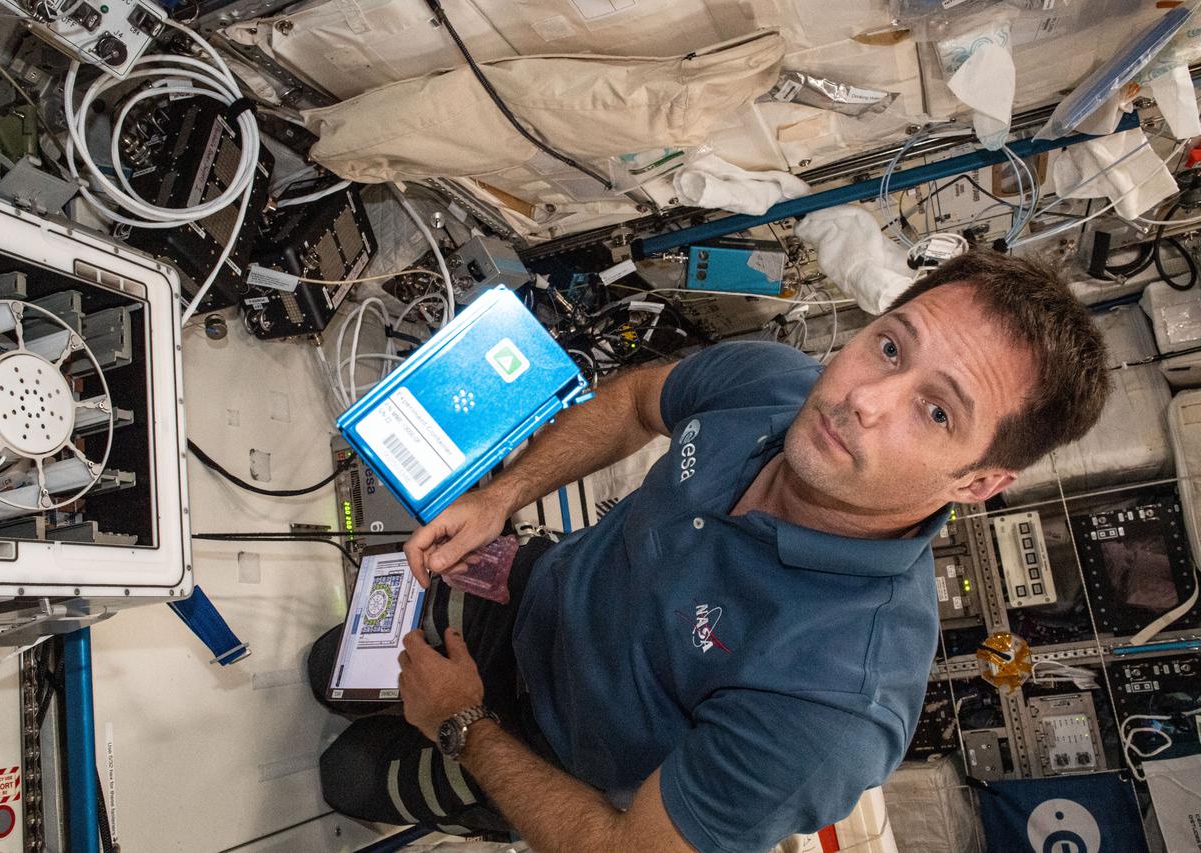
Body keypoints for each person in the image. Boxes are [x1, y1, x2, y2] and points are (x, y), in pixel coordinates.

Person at [309, 250, 1109, 851]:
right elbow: (631, 402)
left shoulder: (833, 707)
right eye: (892, 348)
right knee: (325, 663)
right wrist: (497, 497)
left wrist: (462, 724)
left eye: (936, 413)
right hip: (530, 592)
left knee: (345, 776)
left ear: (977, 482)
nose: (864, 399)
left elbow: (630, 849)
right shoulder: (774, 379)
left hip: (543, 747)